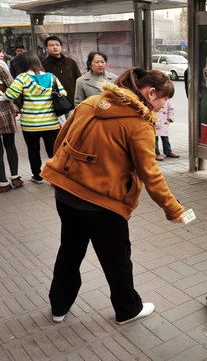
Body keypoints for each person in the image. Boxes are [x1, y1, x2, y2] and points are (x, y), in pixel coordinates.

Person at [40, 67, 187, 325]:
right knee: (117, 259)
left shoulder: (91, 102)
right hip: (103, 203)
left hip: (66, 193)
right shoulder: (139, 124)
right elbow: (150, 172)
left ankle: (58, 307)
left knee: (70, 251)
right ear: (151, 93)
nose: (164, 106)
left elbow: (61, 140)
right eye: (165, 99)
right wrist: (173, 209)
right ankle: (127, 309)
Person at [5, 51, 64, 184]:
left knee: (33, 150)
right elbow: (63, 93)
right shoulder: (52, 77)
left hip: (30, 124)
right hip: (51, 123)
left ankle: (37, 176)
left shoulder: (22, 78)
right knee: (53, 151)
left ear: (22, 64)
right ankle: (55, 177)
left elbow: (10, 95)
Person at [0, 61, 23, 193]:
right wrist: (18, 106)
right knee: (10, 144)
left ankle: (2, 182)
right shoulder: (1, 67)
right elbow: (13, 86)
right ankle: (15, 177)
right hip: (4, 111)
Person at [41, 36, 81, 104]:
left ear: (61, 47)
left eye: (57, 45)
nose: (55, 47)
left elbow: (78, 80)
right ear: (46, 48)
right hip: (53, 103)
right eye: (51, 45)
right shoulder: (42, 64)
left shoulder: (71, 62)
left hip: (71, 100)